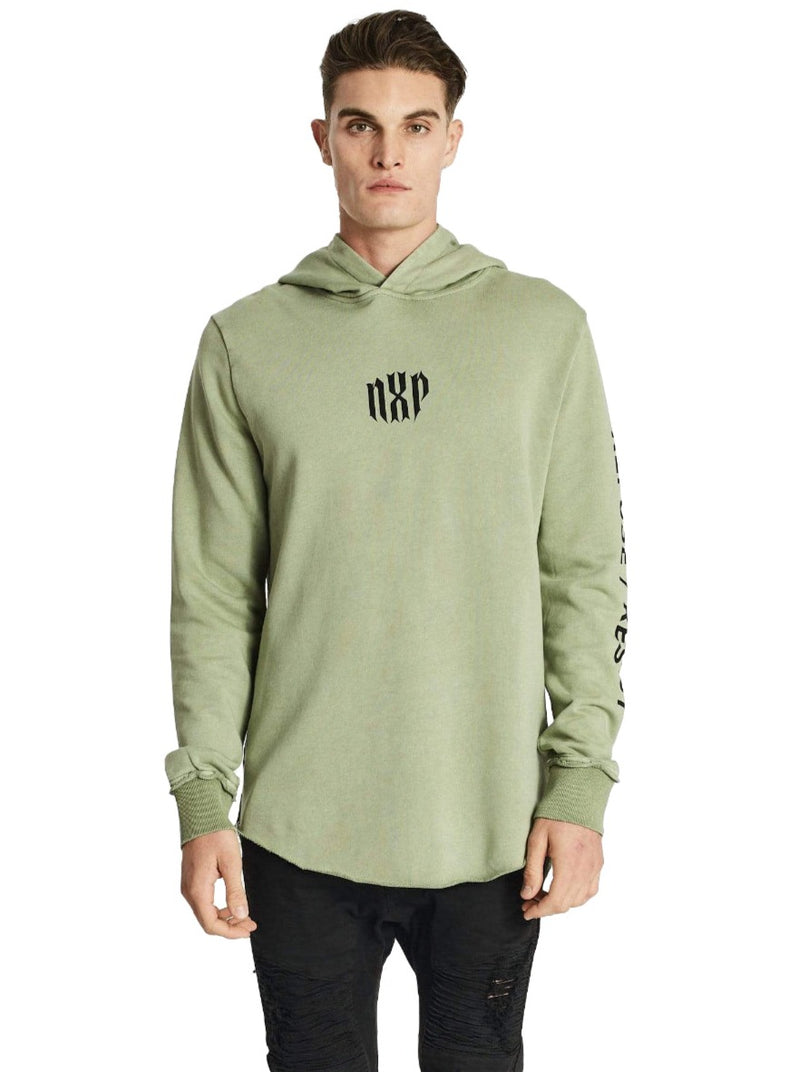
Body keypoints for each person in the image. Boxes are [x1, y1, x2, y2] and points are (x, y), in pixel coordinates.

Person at [164, 9, 629, 1070]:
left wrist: (580, 784)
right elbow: (212, 592)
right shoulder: (246, 341)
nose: (388, 153)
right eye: (360, 125)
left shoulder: (542, 330)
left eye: (416, 125)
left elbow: (585, 573)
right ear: (321, 138)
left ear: (452, 140)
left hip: (491, 823)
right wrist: (201, 799)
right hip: (296, 831)